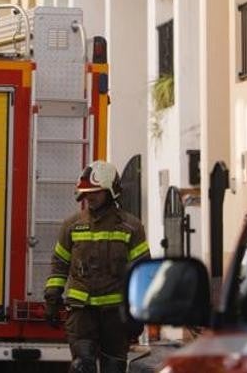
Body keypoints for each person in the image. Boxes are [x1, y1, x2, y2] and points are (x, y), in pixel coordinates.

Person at [45, 160, 150, 373]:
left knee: (114, 368)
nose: (89, 198)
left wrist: (139, 314)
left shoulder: (131, 227)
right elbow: (59, 264)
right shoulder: (72, 226)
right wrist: (52, 298)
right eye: (86, 193)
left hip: (115, 317)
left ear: (111, 192)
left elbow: (142, 273)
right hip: (81, 315)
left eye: (95, 192)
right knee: (82, 366)